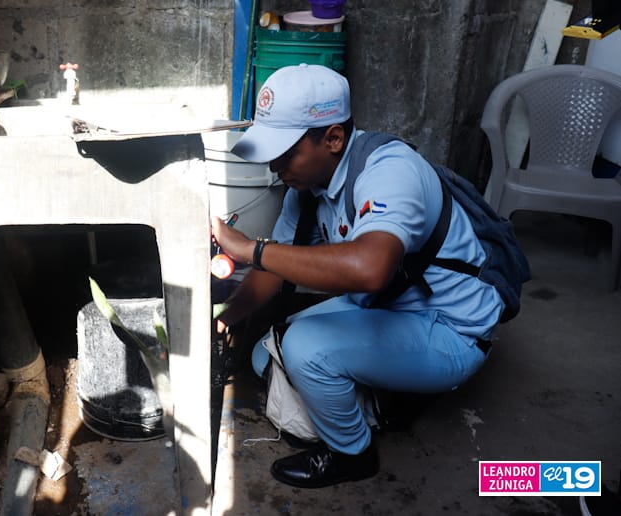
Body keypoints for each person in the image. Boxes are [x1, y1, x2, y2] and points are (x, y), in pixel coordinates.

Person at [211, 64, 504, 489]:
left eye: (286, 152)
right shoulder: (307, 187)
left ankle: (352, 454)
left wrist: (248, 248)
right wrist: (228, 316)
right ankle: (387, 393)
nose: (275, 166)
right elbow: (271, 270)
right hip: (389, 306)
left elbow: (370, 269)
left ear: (333, 138)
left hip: (450, 329)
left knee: (304, 350)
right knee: (264, 354)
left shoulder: (389, 171)